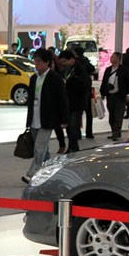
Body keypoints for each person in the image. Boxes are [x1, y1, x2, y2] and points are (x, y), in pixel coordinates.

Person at [23, 48, 69, 184]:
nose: (36, 64)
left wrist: (64, 119)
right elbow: (31, 100)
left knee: (39, 148)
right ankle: (50, 172)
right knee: (44, 150)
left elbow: (62, 99)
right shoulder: (33, 78)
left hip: (48, 118)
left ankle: (32, 173)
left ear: (47, 62)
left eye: (39, 61)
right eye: (35, 61)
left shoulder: (55, 78)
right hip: (34, 117)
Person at [60, 49, 88, 153]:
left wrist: (69, 82)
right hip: (68, 102)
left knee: (73, 125)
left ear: (71, 59)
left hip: (77, 102)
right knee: (68, 126)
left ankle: (73, 146)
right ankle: (73, 146)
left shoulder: (80, 69)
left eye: (65, 61)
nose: (63, 63)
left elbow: (83, 85)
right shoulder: (66, 70)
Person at [100, 51, 129, 141]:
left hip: (120, 95)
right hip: (110, 95)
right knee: (112, 115)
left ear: (118, 59)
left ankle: (116, 133)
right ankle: (114, 131)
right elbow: (104, 81)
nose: (111, 59)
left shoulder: (124, 70)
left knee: (119, 115)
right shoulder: (108, 69)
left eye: (113, 57)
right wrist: (103, 93)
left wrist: (128, 94)